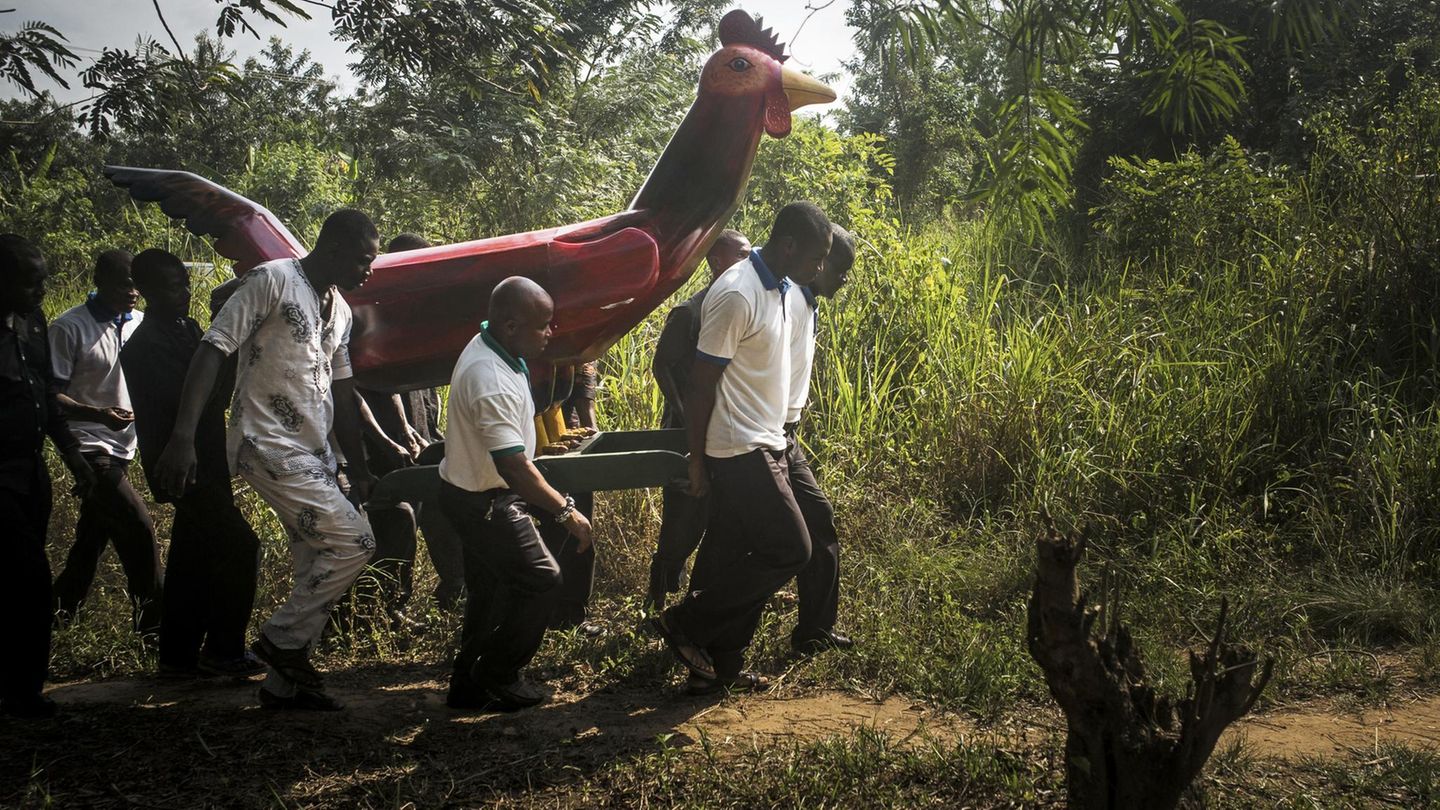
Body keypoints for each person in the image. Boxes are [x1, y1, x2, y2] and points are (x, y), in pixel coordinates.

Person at [153, 209, 380, 711]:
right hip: (265, 442)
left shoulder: (339, 309)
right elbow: (213, 349)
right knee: (356, 541)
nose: (370, 270)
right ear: (336, 249)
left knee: (314, 556)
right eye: (364, 259)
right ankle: (281, 638)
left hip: (316, 451)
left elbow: (343, 390)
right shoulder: (272, 280)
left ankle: (284, 687)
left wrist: (358, 465)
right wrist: (184, 436)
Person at [655, 203, 833, 694]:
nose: (820, 269)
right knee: (790, 548)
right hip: (737, 446)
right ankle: (686, 623)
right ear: (790, 245)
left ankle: (718, 667)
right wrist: (697, 459)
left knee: (732, 554)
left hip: (769, 438)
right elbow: (699, 384)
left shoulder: (779, 288)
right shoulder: (736, 292)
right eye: (817, 258)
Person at [440, 276, 593, 712]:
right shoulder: (489, 377)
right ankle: (498, 672)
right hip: (485, 501)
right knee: (541, 579)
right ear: (510, 326)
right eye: (543, 325)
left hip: (474, 491)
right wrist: (566, 511)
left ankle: (467, 687)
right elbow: (514, 468)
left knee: (490, 592)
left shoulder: (498, 348)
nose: (551, 332)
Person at [121, 249, 265, 679]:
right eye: (171, 287)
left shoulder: (187, 330)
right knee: (241, 545)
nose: (183, 293)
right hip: (181, 464)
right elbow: (189, 402)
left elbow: (216, 394)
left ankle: (177, 656)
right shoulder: (145, 346)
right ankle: (223, 650)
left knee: (191, 558)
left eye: (184, 283)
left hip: (208, 460)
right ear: (144, 291)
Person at [0, 235, 95, 719]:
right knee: (30, 581)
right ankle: (22, 692)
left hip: (33, 473)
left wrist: (74, 459)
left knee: (24, 576)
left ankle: (20, 687)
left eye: (43, 279)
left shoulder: (32, 325)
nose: (41, 289)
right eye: (30, 280)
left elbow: (45, 400)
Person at [348, 232, 465, 623]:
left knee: (429, 514)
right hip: (376, 446)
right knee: (394, 523)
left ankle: (445, 592)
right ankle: (380, 610)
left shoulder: (417, 320)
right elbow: (356, 389)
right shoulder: (365, 317)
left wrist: (420, 433)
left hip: (416, 438)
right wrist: (385, 439)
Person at [50, 249, 163, 636]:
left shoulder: (142, 325)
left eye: (136, 285)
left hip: (125, 447)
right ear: (99, 282)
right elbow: (50, 397)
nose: (132, 292)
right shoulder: (69, 328)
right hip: (88, 448)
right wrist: (98, 415)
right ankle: (154, 630)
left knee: (90, 541)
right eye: (122, 284)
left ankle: (55, 618)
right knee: (138, 529)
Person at [646, 229, 750, 610]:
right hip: (685, 433)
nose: (748, 260)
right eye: (741, 255)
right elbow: (662, 366)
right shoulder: (691, 312)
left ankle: (697, 600)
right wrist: (687, 411)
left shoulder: (739, 304)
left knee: (715, 520)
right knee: (681, 524)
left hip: (723, 432)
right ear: (717, 262)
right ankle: (655, 597)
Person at [783, 225, 857, 654]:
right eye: (840, 269)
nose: (844, 280)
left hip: (786, 433)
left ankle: (814, 630)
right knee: (793, 534)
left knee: (817, 525)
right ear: (819, 262)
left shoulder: (807, 303)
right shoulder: (789, 301)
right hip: (767, 435)